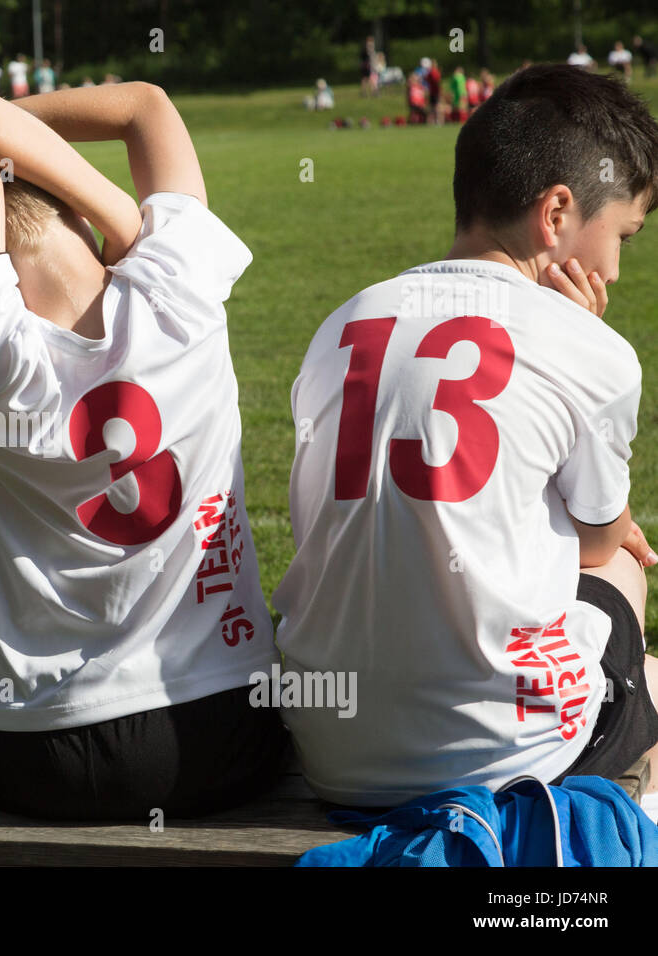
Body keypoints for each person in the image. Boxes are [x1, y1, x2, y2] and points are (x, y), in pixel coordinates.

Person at [0, 80, 285, 820]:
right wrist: (116, 212)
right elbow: (144, 107)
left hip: (33, 751)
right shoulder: (183, 290)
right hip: (222, 728)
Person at [273, 65, 658, 809]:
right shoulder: (590, 349)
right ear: (556, 214)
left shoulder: (340, 324)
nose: (616, 265)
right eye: (624, 235)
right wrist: (582, 341)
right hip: (495, 758)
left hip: (328, 745)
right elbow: (601, 545)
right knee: (626, 577)